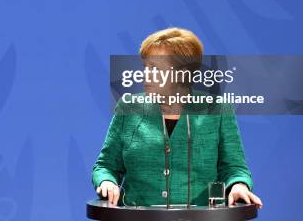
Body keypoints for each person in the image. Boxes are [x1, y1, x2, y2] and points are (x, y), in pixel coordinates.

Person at [92, 28, 263, 208]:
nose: (145, 75)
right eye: (145, 67)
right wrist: (107, 182)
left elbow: (234, 168)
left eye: (155, 69)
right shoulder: (128, 107)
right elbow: (105, 166)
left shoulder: (217, 109)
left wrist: (238, 184)